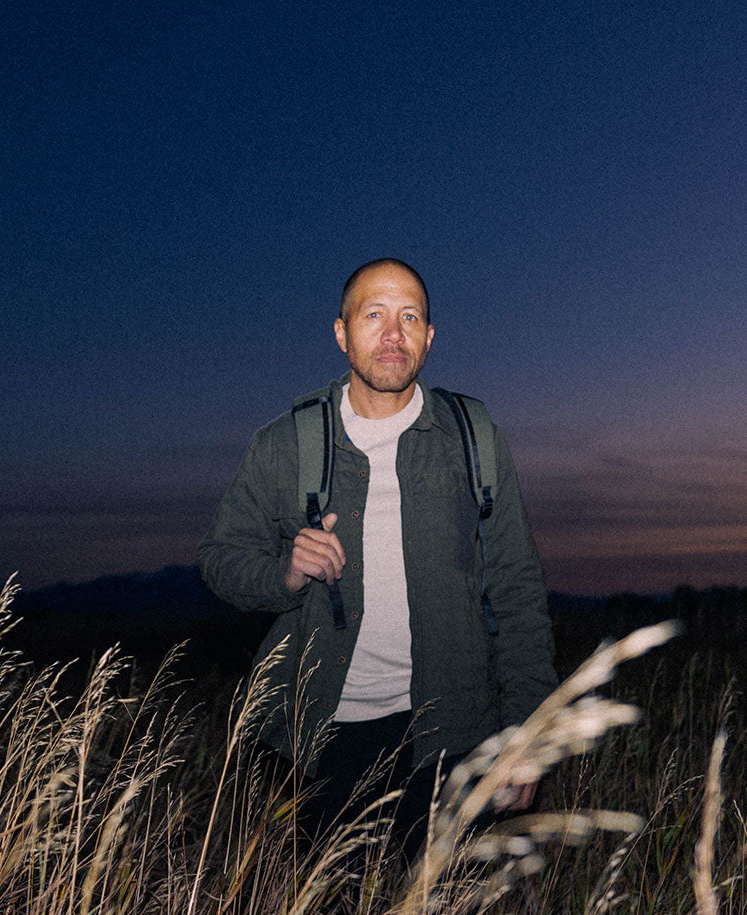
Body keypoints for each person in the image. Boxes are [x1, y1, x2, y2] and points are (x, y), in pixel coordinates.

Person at [197, 257, 559, 856]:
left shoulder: (474, 437)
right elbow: (219, 558)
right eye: (374, 316)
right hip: (324, 739)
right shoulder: (286, 444)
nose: (393, 335)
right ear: (341, 333)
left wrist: (526, 734)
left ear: (429, 336)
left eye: (409, 317)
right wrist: (283, 572)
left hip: (455, 731)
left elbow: (518, 593)